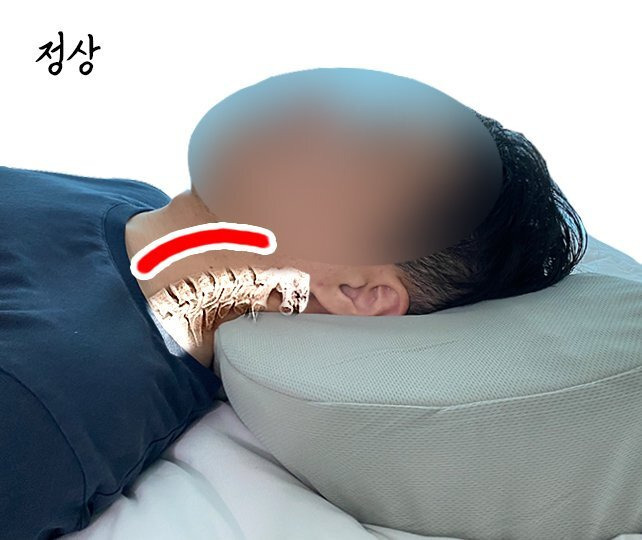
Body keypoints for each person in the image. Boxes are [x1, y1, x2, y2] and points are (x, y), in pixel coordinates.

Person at [0, 68, 586, 539]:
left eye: (373, 147)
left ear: (358, 291)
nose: (317, 108)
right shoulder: (130, 202)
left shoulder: (51, 401)